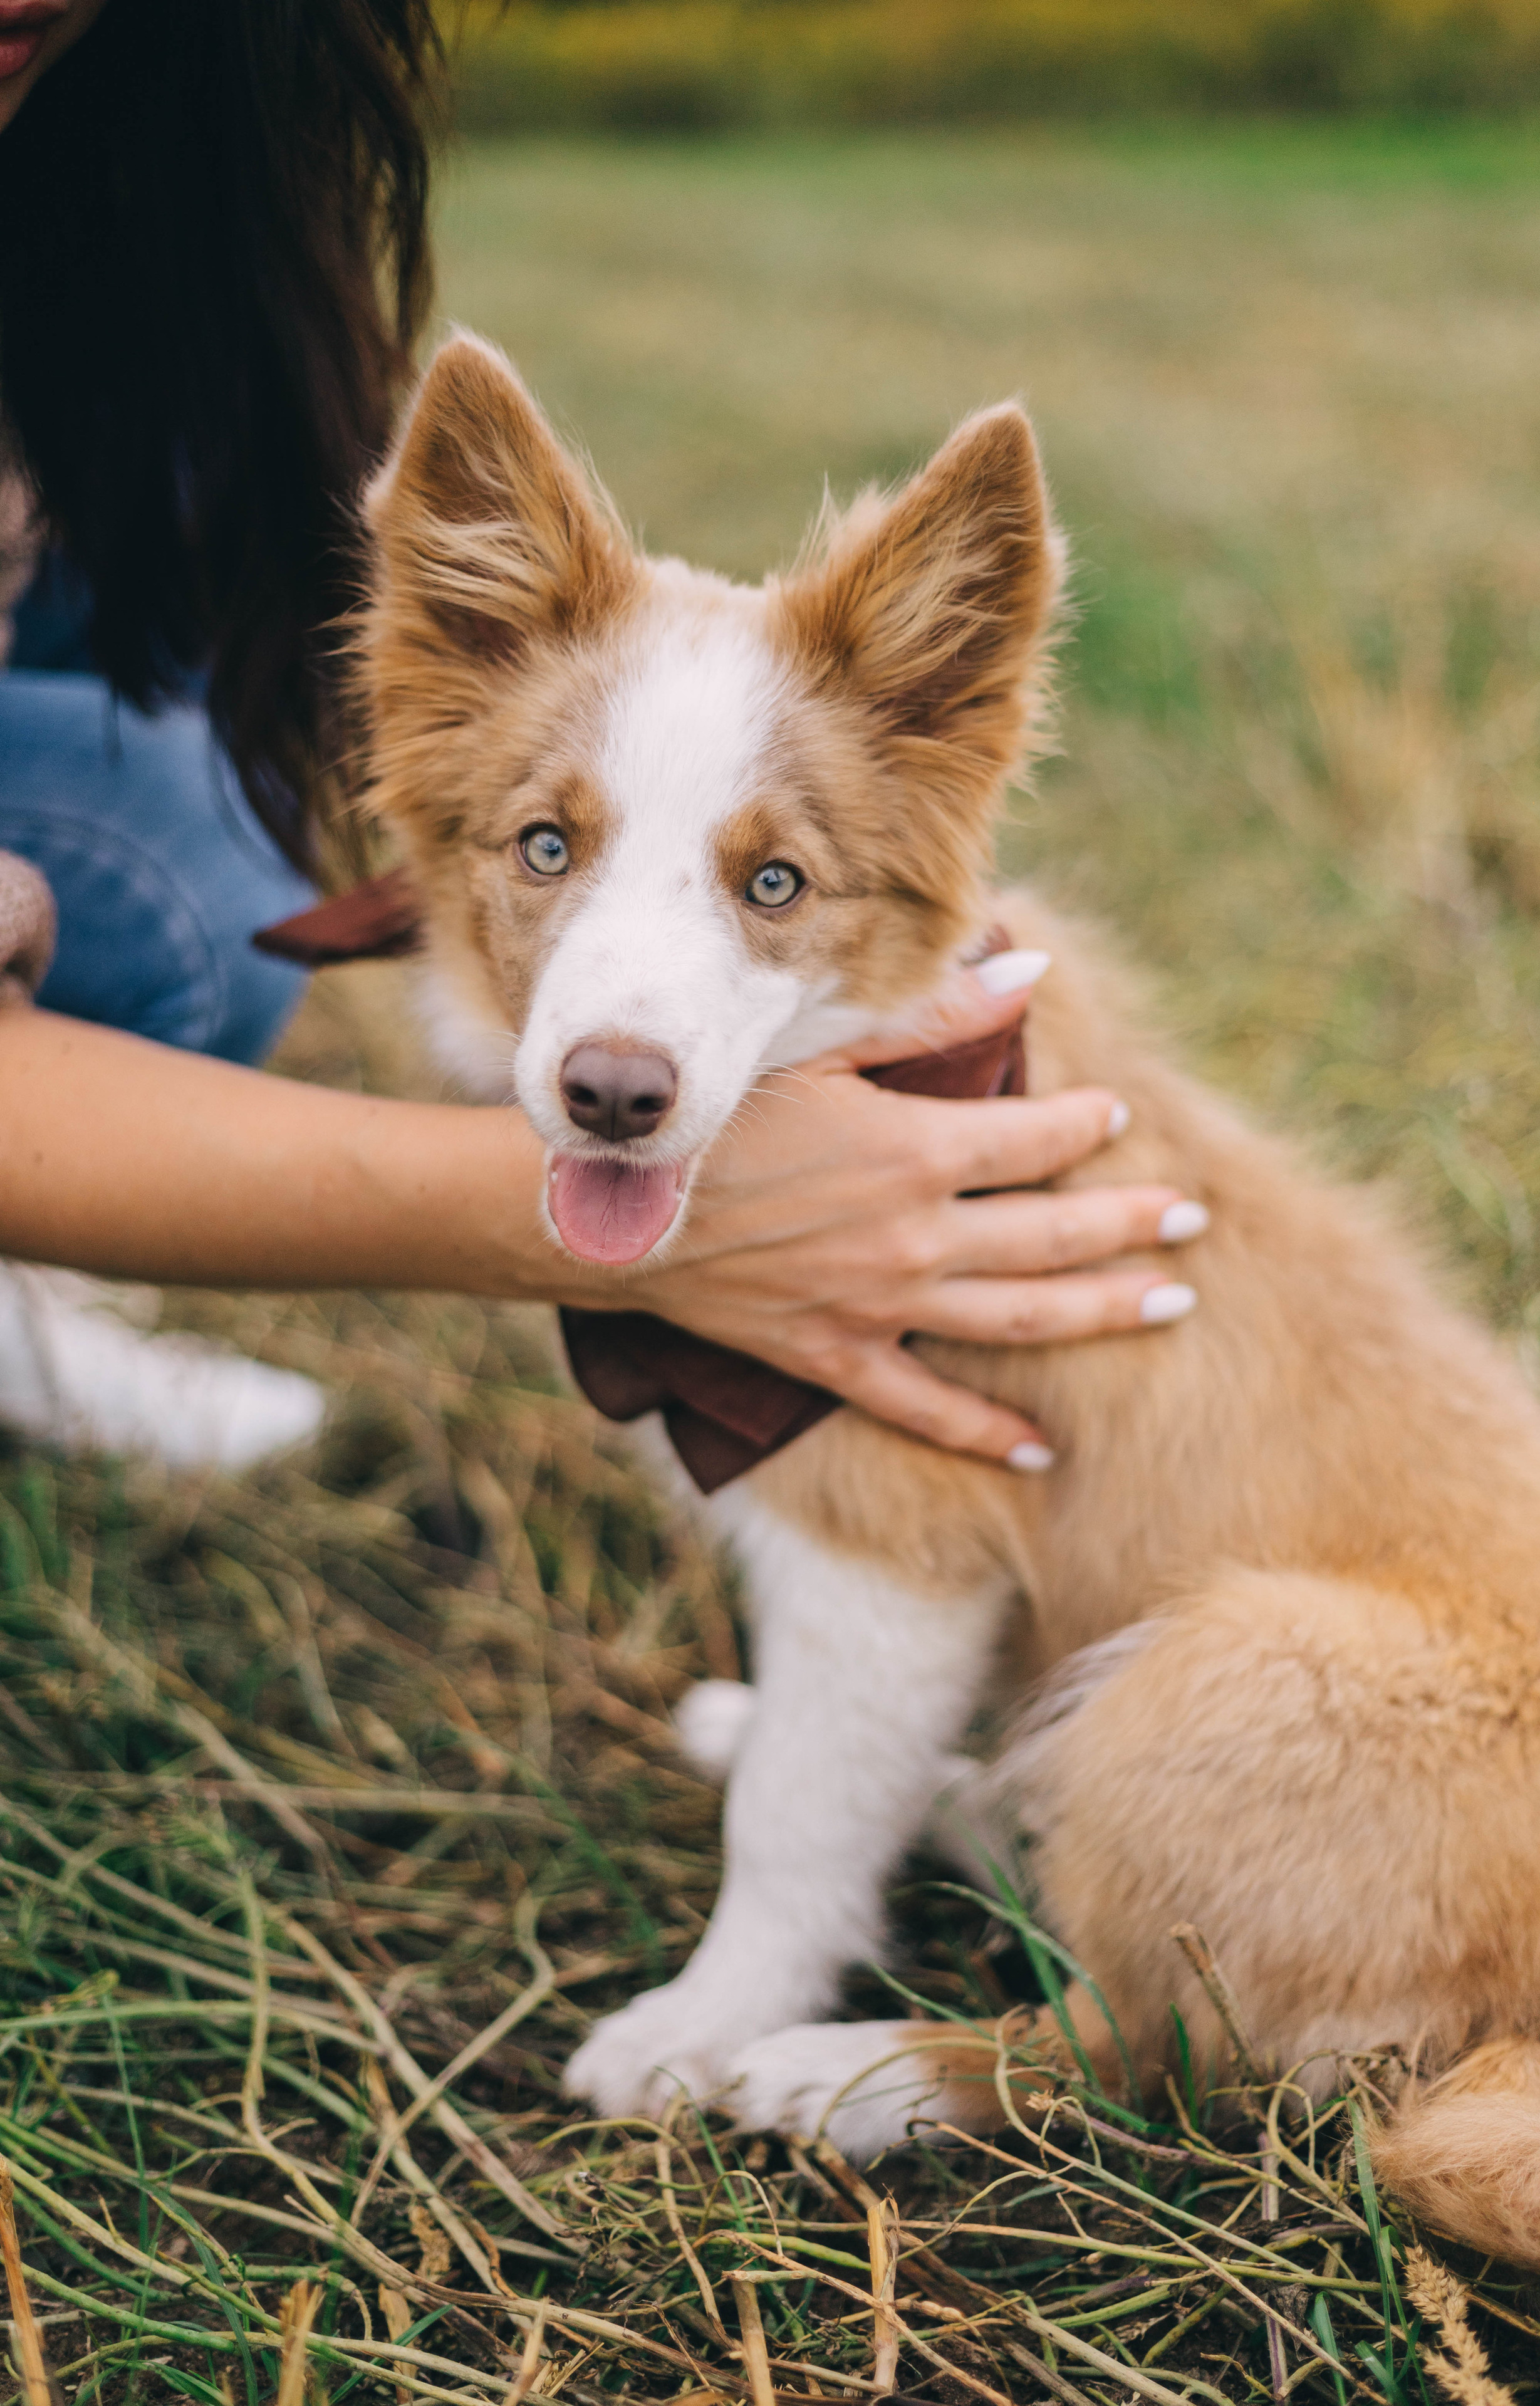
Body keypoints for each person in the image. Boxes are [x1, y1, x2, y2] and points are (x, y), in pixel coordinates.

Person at [0, 0, 1203, 1476]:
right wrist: (530, 1217)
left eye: (772, 879)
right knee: (182, 891)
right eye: (548, 845)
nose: (620, 1061)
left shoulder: (120, 159)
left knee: (193, 858)